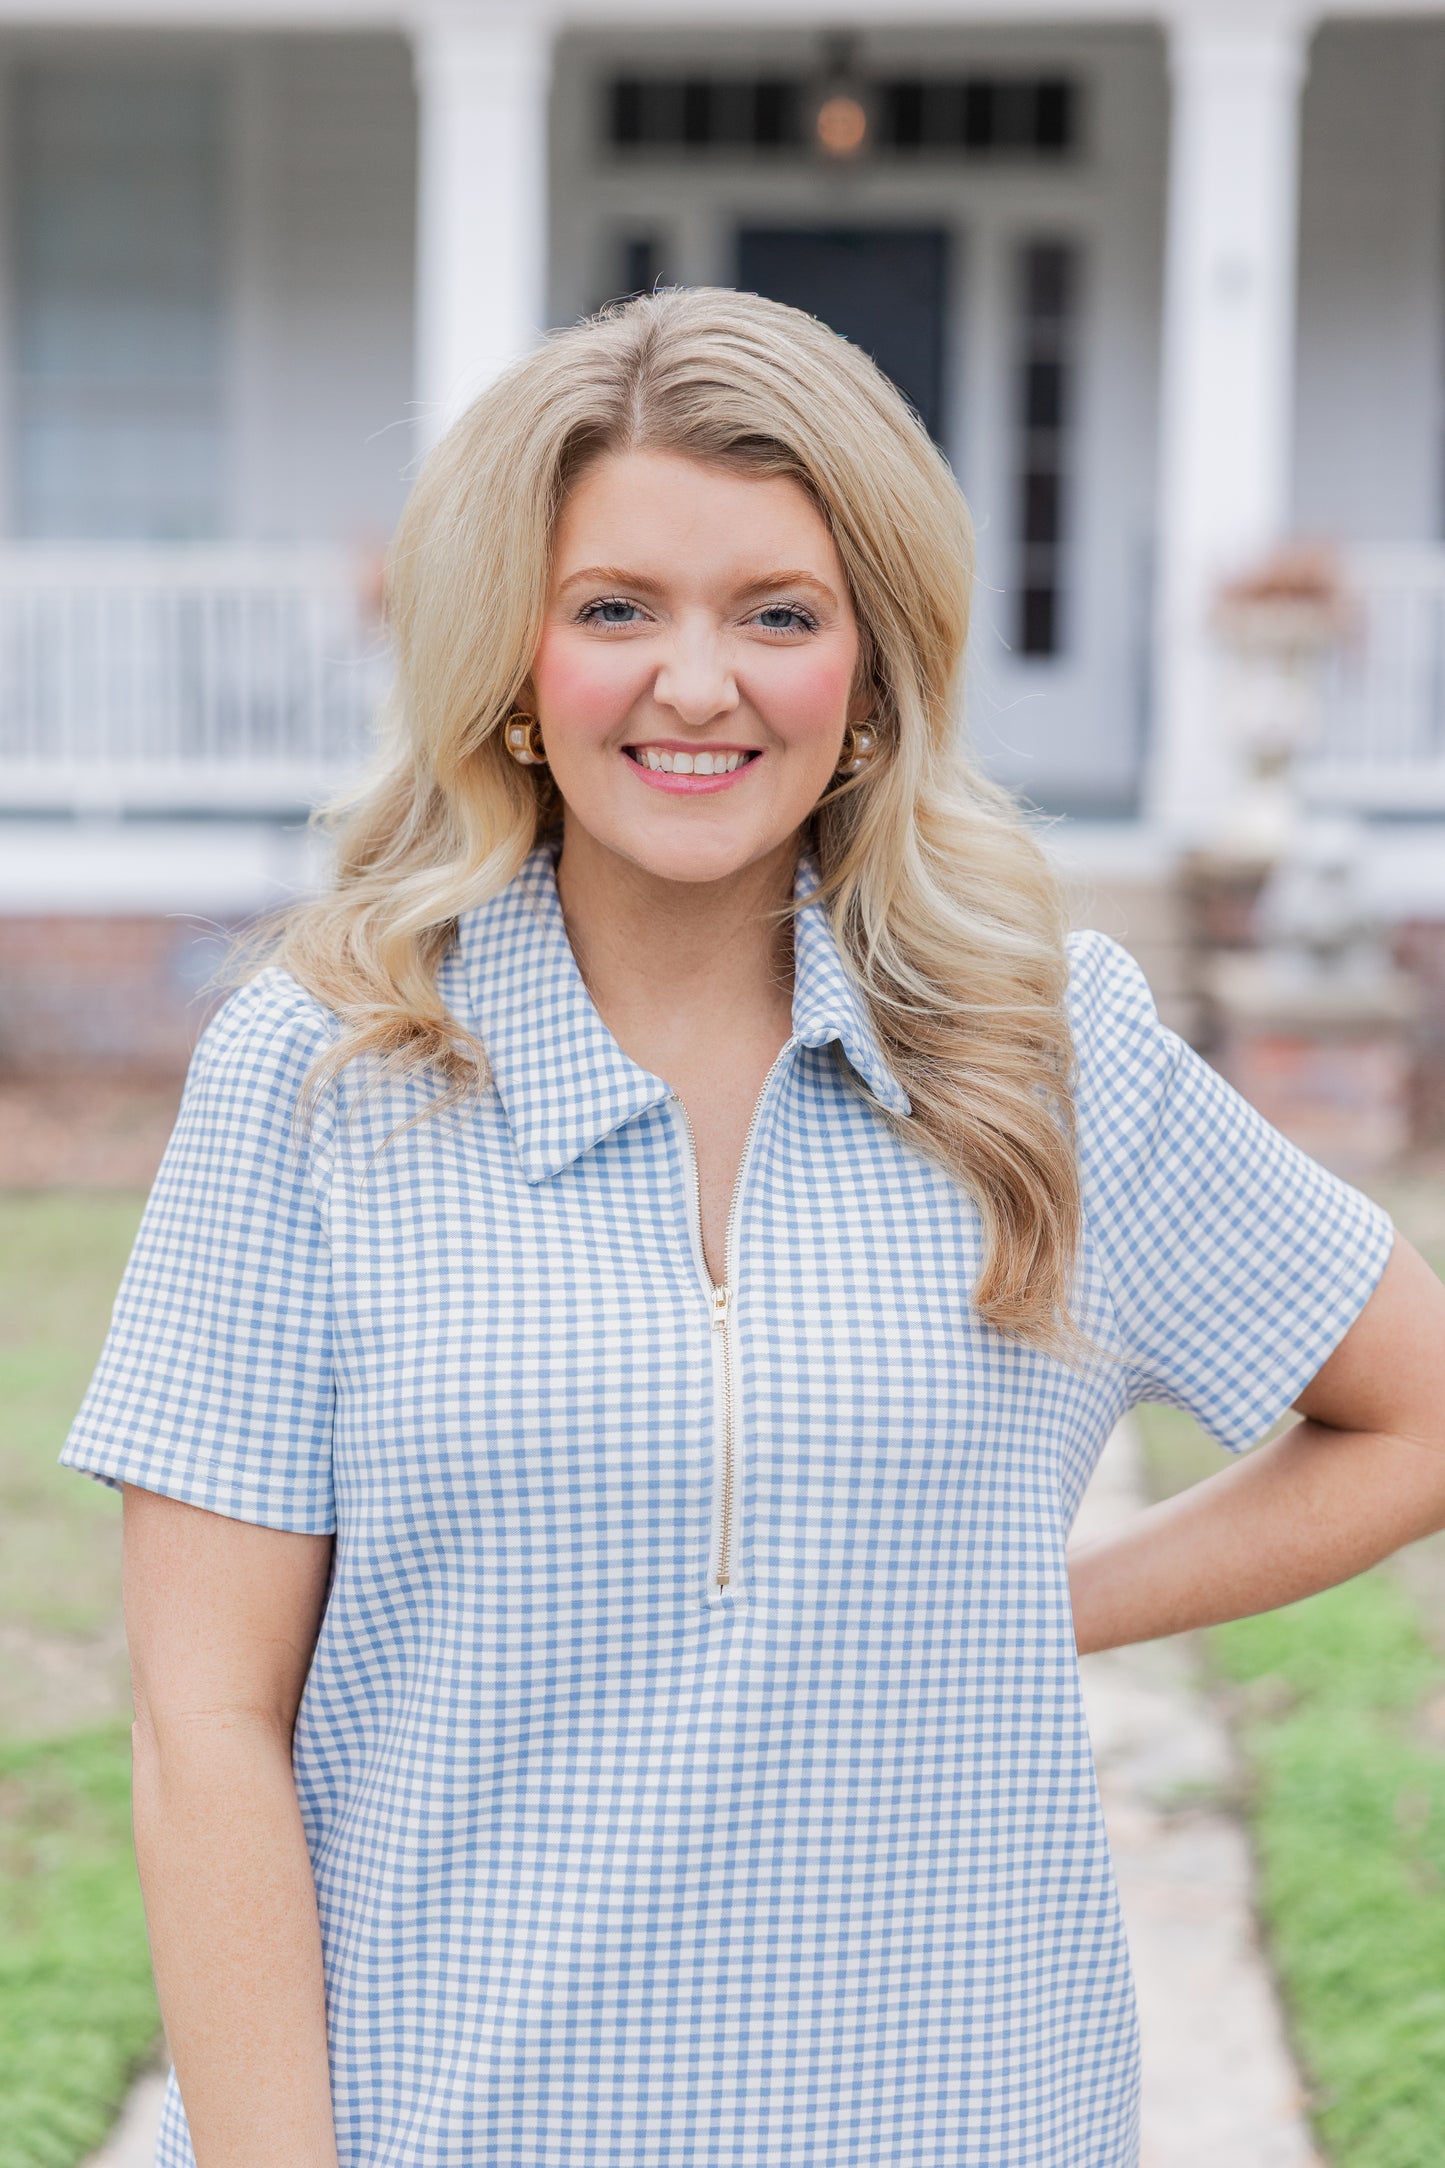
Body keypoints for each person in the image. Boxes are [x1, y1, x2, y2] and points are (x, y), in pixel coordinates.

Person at [63, 287, 1445, 2168]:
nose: (693, 684)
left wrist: (1020, 1606)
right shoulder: (320, 1075)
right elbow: (201, 1726)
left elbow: (1414, 1413)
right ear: (510, 664)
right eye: (613, 608)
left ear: (870, 672)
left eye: (776, 615)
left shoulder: (1053, 1048)